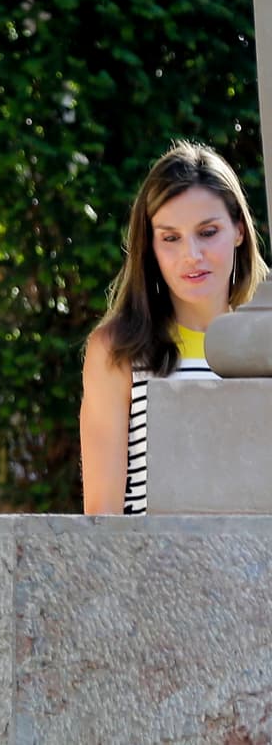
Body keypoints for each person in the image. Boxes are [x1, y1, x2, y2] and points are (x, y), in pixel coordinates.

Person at [79, 141, 267, 514]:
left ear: (239, 231)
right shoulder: (118, 351)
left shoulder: (265, 344)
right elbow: (102, 520)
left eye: (208, 232)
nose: (192, 255)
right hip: (150, 570)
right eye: (170, 238)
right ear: (149, 245)